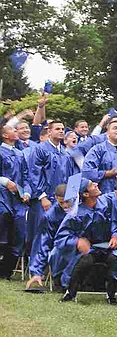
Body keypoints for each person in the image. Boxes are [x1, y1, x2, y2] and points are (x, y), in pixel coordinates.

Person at [56, 178, 117, 304]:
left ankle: (111, 295)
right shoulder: (76, 213)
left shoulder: (108, 202)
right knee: (84, 261)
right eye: (91, 185)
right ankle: (70, 292)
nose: (96, 184)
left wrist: (115, 236)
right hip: (90, 250)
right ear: (86, 194)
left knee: (116, 260)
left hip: (108, 247)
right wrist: (77, 241)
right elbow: (62, 236)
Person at [28, 120, 70, 253]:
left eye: (62, 129)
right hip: (46, 198)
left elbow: (70, 176)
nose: (61, 131)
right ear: (49, 131)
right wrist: (42, 197)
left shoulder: (65, 152)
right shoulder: (40, 149)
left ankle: (55, 266)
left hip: (62, 200)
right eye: (57, 129)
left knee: (61, 232)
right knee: (42, 233)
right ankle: (37, 269)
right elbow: (35, 174)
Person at [0, 123, 31, 279]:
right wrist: (5, 181)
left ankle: (8, 270)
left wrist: (26, 191)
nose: (17, 131)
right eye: (13, 130)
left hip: (18, 199)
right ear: (5, 135)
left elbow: (26, 176)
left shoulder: (20, 154)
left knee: (20, 227)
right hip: (2, 197)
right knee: (3, 219)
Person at [26, 183, 70, 289]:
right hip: (60, 246)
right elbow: (42, 243)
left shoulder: (79, 207)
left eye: (67, 201)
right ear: (56, 198)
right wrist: (37, 272)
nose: (65, 205)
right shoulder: (50, 216)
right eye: (61, 202)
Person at [82, 116, 117, 192]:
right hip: (103, 194)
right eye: (115, 128)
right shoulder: (98, 150)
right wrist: (107, 173)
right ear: (108, 132)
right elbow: (87, 172)